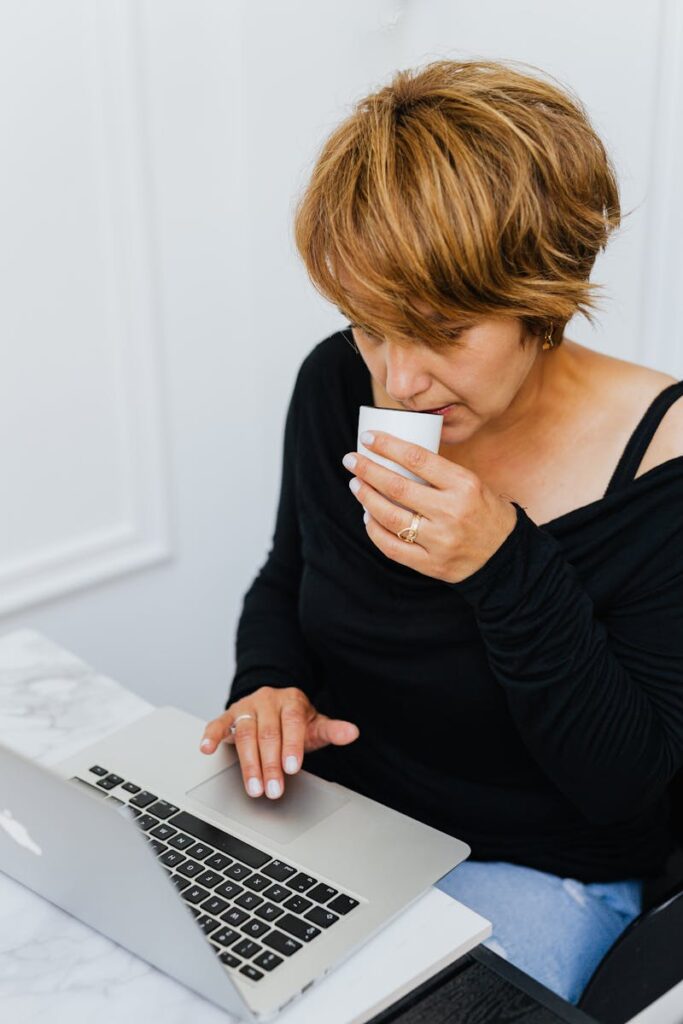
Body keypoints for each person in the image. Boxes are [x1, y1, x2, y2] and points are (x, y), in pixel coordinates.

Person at [199, 60, 683, 1003]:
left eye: (442, 330)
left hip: (541, 867)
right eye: (368, 325)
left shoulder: (663, 466)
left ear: (545, 293)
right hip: (342, 825)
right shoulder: (335, 382)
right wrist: (270, 686)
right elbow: (284, 577)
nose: (397, 382)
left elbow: (627, 787)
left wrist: (503, 565)